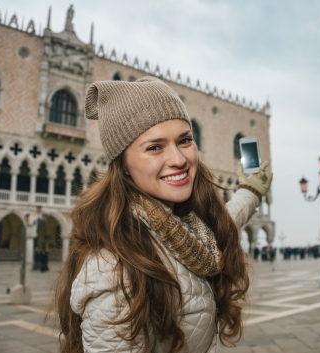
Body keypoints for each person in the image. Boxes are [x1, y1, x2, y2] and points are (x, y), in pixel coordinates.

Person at [49, 77, 272, 353]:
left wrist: (250, 190)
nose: (178, 159)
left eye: (185, 140)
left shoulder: (187, 228)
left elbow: (220, 227)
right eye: (155, 147)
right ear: (124, 164)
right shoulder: (112, 271)